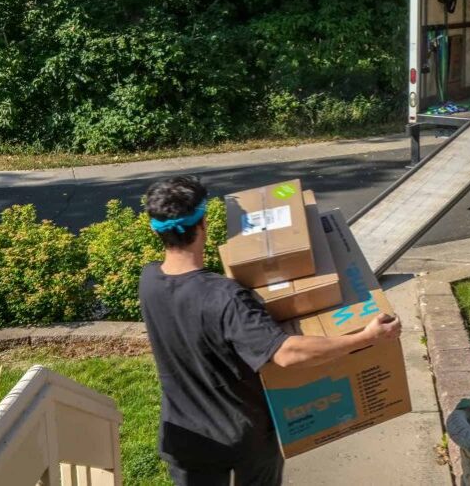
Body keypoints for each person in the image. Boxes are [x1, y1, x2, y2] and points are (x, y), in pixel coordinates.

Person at [138, 175, 401, 486]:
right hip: (241, 438)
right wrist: (366, 337)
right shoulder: (224, 297)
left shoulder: (149, 280)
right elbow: (287, 354)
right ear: (203, 224)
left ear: (156, 230)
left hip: (185, 437)